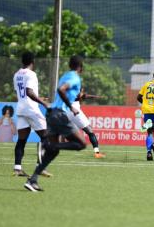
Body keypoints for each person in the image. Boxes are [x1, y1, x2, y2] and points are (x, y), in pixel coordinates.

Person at [24, 55, 87, 192]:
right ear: (80, 67)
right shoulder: (75, 77)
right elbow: (62, 90)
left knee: (53, 152)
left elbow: (65, 92)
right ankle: (48, 144)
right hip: (59, 114)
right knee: (81, 143)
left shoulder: (65, 75)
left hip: (52, 113)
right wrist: (71, 106)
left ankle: (32, 180)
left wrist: (79, 97)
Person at [13, 52, 52, 178]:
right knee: (47, 136)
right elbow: (29, 92)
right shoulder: (31, 74)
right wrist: (43, 103)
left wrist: (38, 97)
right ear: (32, 62)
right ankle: (40, 167)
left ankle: (17, 168)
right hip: (31, 109)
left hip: (21, 108)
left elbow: (22, 93)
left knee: (21, 140)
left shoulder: (17, 74)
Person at [67, 87, 106, 158]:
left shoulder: (67, 88)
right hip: (74, 111)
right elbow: (81, 96)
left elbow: (83, 96)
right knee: (90, 132)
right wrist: (93, 96)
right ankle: (97, 153)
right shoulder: (75, 86)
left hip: (67, 111)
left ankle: (49, 146)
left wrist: (94, 96)